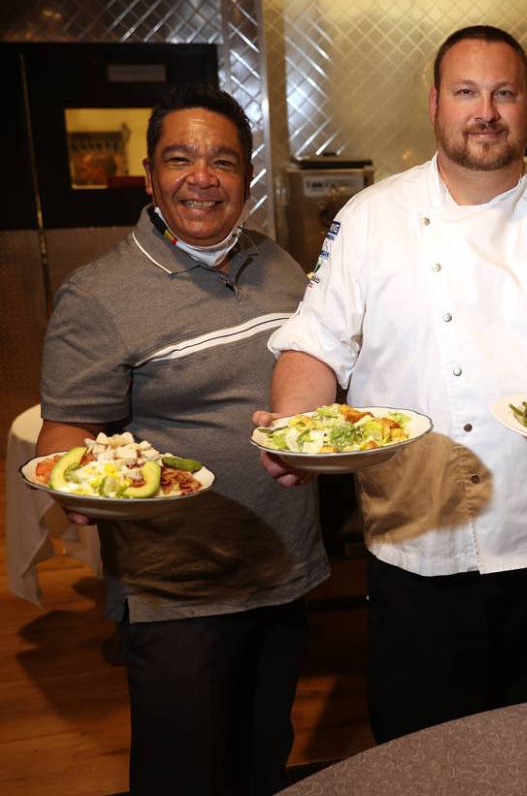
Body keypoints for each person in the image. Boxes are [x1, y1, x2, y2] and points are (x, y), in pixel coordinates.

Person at [259, 25, 527, 742]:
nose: (486, 112)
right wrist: (296, 430)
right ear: (435, 104)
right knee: (418, 748)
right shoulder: (372, 216)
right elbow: (316, 344)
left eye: (504, 93)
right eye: (467, 93)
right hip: (417, 532)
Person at [36, 84, 327, 795]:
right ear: (150, 176)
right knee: (185, 775)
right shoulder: (97, 294)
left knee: (263, 758)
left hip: (284, 566)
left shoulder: (279, 263)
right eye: (181, 159)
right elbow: (64, 437)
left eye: (224, 162)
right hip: (179, 589)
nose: (203, 177)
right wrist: (79, 489)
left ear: (247, 179)